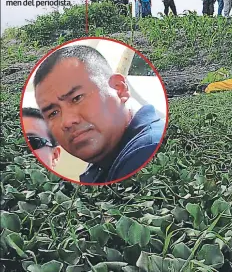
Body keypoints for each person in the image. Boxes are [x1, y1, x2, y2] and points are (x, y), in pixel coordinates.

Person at [33, 45, 165, 184]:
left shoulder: (147, 150)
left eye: (77, 98)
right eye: (53, 113)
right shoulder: (102, 165)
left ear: (119, 89)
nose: (67, 121)